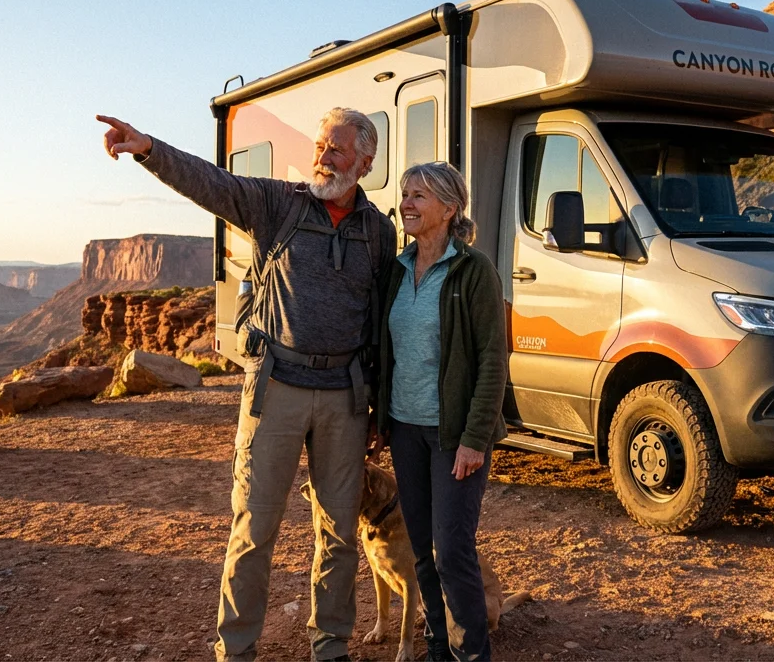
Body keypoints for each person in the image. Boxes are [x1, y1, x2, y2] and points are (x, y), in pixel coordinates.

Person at [97, 109, 395, 662]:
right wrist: (149, 150)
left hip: (344, 397)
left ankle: (330, 647)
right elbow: (213, 184)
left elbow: (379, 320)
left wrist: (378, 406)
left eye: (337, 149)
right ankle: (236, 652)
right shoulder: (277, 203)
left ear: (365, 161)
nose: (323, 157)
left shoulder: (378, 230)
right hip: (277, 387)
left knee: (339, 535)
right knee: (255, 528)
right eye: (320, 145)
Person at [373, 161, 508, 662]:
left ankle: (471, 652)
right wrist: (379, 418)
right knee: (423, 552)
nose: (406, 203)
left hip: (454, 434)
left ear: (450, 209)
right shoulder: (398, 269)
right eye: (405, 194)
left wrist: (476, 437)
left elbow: (494, 357)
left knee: (452, 551)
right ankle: (436, 646)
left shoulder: (474, 271)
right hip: (406, 430)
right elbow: (383, 349)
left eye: (419, 196)